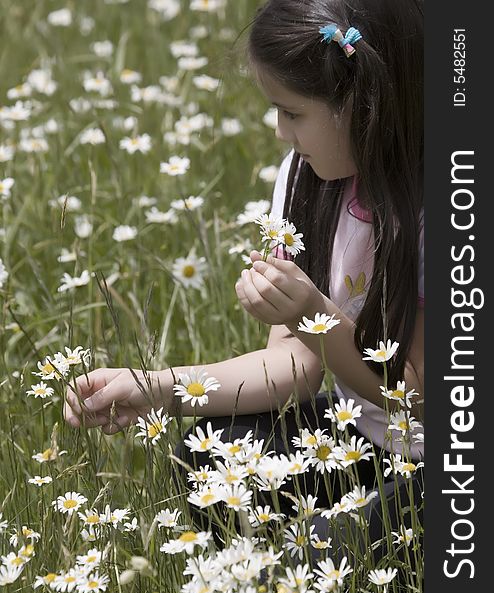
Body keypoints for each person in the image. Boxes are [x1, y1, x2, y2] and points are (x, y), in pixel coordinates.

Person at [64, 0, 424, 554]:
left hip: (444, 462)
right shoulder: (306, 178)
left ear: (362, 102)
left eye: (292, 113)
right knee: (211, 458)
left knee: (337, 545)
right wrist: (158, 389)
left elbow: (419, 404)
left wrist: (312, 314)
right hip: (360, 436)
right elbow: (295, 366)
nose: (280, 132)